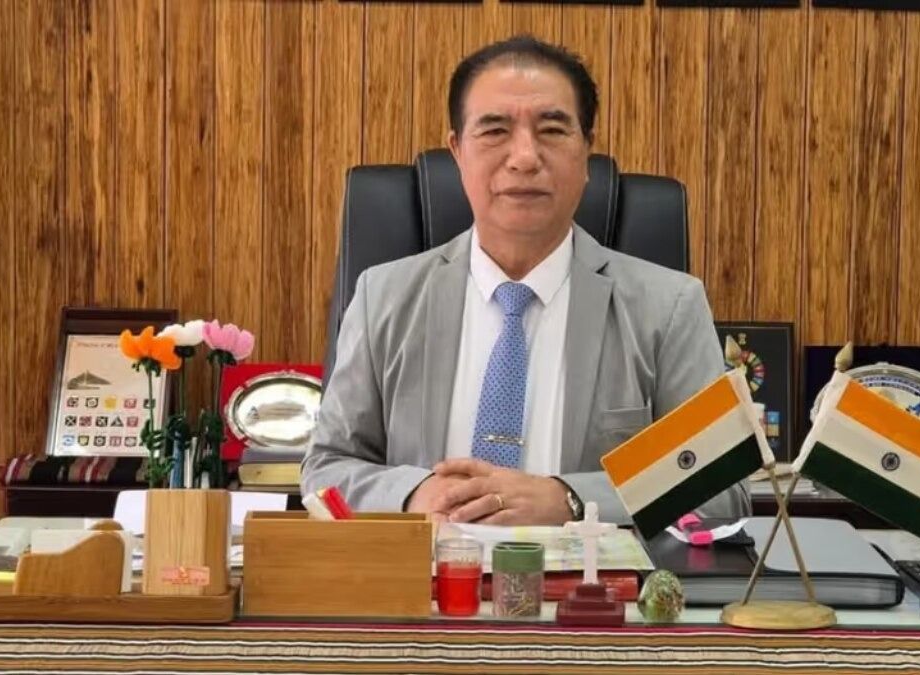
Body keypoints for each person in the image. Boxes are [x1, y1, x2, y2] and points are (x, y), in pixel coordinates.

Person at [302, 35, 750, 527]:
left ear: (586, 151)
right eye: (495, 130)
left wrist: (572, 499)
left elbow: (722, 486)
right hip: (425, 573)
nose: (524, 157)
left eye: (552, 130)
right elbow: (327, 468)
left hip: (591, 576)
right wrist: (412, 493)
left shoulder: (669, 307)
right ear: (457, 151)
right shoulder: (383, 296)